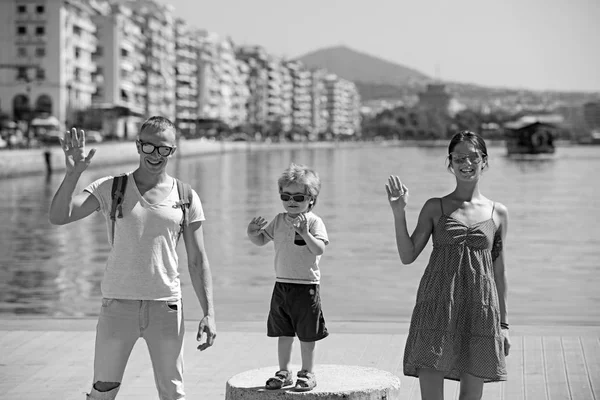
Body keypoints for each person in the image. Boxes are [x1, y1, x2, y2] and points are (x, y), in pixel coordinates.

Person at [48, 116, 217, 400]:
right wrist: (74, 173)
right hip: (117, 306)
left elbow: (198, 260)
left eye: (163, 148)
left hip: (166, 307)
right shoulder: (111, 188)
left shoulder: (186, 196)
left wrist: (209, 313)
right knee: (102, 391)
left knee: (172, 393)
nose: (155, 155)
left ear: (172, 151)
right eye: (148, 147)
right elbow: (59, 217)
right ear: (138, 146)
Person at [385, 131, 511, 400]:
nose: (466, 163)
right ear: (450, 163)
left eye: (473, 157)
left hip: (480, 310)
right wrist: (399, 212)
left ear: (485, 161)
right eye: (459, 158)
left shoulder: (497, 212)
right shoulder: (435, 207)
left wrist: (503, 325)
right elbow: (407, 255)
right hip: (437, 305)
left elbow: (498, 271)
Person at [246, 163, 329, 392]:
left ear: (311, 199)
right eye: (286, 196)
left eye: (299, 197)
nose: (292, 201)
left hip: (306, 287)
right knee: (283, 331)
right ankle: (284, 371)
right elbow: (262, 241)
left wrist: (305, 233)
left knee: (306, 333)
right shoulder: (280, 220)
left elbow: (319, 249)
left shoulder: (313, 221)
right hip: (282, 285)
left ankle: (307, 372)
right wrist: (252, 233)